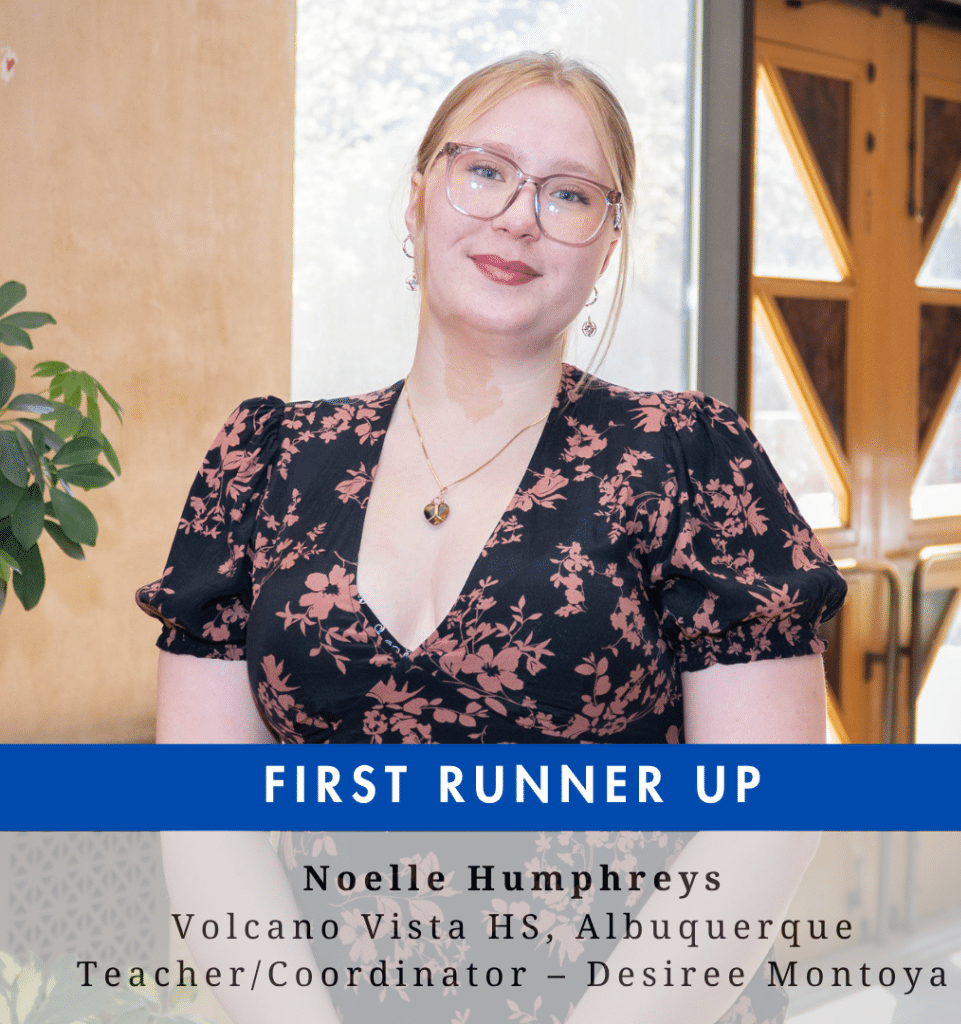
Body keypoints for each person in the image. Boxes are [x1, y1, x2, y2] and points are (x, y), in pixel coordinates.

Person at [143, 52, 845, 1024]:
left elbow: (762, 817)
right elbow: (206, 814)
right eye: (485, 172)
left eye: (569, 194)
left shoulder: (689, 458)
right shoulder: (263, 458)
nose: (517, 215)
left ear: (605, 245)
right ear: (418, 196)